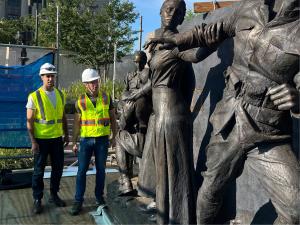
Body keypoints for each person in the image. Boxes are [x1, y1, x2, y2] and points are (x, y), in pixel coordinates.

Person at [146, 0, 300, 224]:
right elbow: (209, 31)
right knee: (210, 193)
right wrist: (175, 39)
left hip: (268, 130)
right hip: (229, 119)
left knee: (296, 208)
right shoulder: (249, 7)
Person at [145, 0, 213, 223]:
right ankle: (167, 216)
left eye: (177, 11)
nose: (171, 14)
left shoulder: (178, 44)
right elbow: (189, 83)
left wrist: (215, 38)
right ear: (160, 11)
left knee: (176, 169)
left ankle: (180, 218)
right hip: (162, 114)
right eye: (167, 9)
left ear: (183, 17)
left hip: (171, 114)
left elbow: (197, 56)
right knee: (165, 169)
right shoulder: (156, 45)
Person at [70, 68, 117, 216]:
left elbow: (113, 118)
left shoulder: (107, 98)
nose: (94, 84)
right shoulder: (80, 101)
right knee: (81, 171)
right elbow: (77, 123)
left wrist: (114, 136)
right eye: (91, 82)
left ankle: (99, 197)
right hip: (86, 140)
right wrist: (74, 141)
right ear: (85, 84)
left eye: (96, 81)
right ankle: (78, 200)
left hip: (102, 140)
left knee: (101, 170)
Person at [26, 62, 69, 214]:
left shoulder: (60, 94)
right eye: (47, 76)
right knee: (38, 171)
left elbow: (62, 116)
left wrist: (67, 134)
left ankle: (54, 195)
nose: (50, 78)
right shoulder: (34, 96)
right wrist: (33, 141)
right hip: (41, 140)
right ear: (42, 77)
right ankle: (37, 199)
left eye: (52, 76)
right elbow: (29, 121)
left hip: (57, 139)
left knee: (57, 169)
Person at [115, 51, 152, 195]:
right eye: (136, 62)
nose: (138, 64)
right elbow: (125, 92)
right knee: (123, 129)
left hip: (142, 110)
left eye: (140, 61)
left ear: (144, 61)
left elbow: (149, 91)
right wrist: (123, 102)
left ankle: (126, 181)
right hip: (130, 104)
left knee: (121, 133)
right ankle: (126, 177)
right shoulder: (129, 75)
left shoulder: (148, 73)